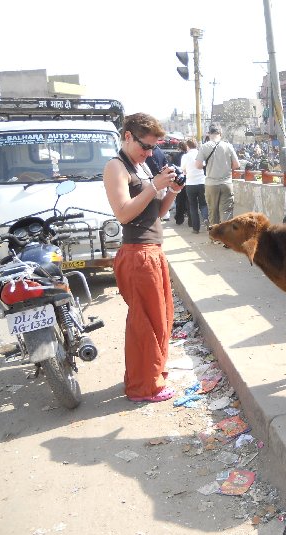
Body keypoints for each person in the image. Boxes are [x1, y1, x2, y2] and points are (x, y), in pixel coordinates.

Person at [102, 113, 183, 402]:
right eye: (145, 146)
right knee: (144, 323)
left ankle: (151, 376)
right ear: (127, 136)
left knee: (160, 320)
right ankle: (143, 387)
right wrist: (154, 185)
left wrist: (171, 190)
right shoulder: (116, 167)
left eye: (152, 148)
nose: (149, 152)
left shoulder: (142, 165)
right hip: (137, 254)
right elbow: (123, 213)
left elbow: (156, 213)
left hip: (152, 252)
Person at [195, 124, 240, 225]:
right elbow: (237, 165)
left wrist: (208, 166)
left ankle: (214, 239)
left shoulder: (204, 147)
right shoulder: (228, 146)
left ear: (209, 133)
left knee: (213, 212)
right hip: (226, 183)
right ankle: (227, 239)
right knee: (226, 213)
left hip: (211, 184)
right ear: (220, 133)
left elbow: (198, 165)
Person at [181, 138, 208, 234]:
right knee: (203, 204)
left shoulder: (185, 156)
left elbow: (183, 170)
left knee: (193, 206)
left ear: (187, 146)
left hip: (190, 184)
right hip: (201, 182)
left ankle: (196, 228)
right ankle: (205, 218)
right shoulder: (200, 154)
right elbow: (203, 165)